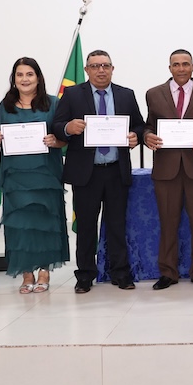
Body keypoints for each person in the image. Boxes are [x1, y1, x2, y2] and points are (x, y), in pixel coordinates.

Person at [52, 50, 144, 293]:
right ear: (87, 70)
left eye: (105, 65)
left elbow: (139, 125)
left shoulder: (126, 94)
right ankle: (84, 275)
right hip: (86, 173)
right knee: (86, 227)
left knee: (117, 225)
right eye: (95, 66)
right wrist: (68, 127)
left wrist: (135, 136)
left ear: (112, 68)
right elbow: (57, 126)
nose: (101, 70)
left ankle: (120, 273)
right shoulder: (72, 94)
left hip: (116, 171)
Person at [0, 58, 70, 293]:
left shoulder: (53, 104)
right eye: (20, 74)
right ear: (13, 79)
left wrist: (56, 141)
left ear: (38, 78)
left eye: (29, 74)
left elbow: (64, 138)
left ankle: (44, 271)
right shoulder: (5, 105)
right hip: (16, 177)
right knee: (20, 227)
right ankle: (26, 273)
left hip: (45, 176)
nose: (24, 79)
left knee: (45, 224)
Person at [143, 49, 193, 290]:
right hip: (166, 169)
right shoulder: (153, 94)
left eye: (185, 64)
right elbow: (148, 127)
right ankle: (168, 272)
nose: (181, 68)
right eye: (176, 64)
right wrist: (147, 137)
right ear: (170, 68)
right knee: (168, 222)